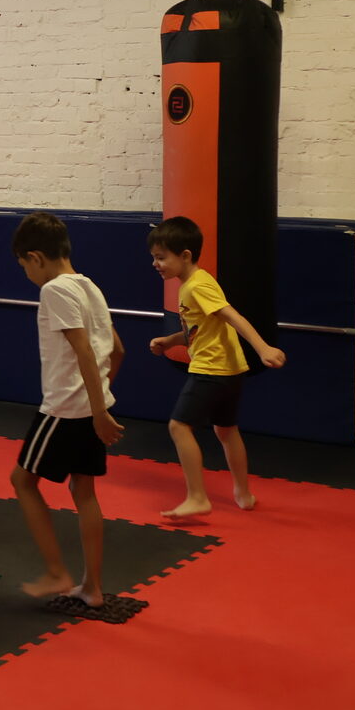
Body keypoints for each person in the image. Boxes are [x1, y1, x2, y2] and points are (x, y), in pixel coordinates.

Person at [10, 211, 124, 606]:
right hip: (87, 406)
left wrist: (97, 410)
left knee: (22, 481)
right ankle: (92, 587)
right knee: (83, 491)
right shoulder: (90, 287)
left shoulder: (54, 290)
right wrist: (101, 400)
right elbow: (117, 350)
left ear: (36, 257)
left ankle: (57, 571)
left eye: (24, 266)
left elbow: (84, 352)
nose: (27, 274)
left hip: (63, 409)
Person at [147, 215, 285, 518]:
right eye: (154, 257)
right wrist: (171, 341)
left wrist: (262, 347)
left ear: (185, 255)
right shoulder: (196, 283)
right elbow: (198, 330)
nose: (155, 264)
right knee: (226, 430)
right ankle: (243, 493)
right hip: (230, 369)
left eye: (161, 257)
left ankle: (197, 497)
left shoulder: (196, 286)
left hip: (211, 368)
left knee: (178, 426)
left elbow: (232, 316)